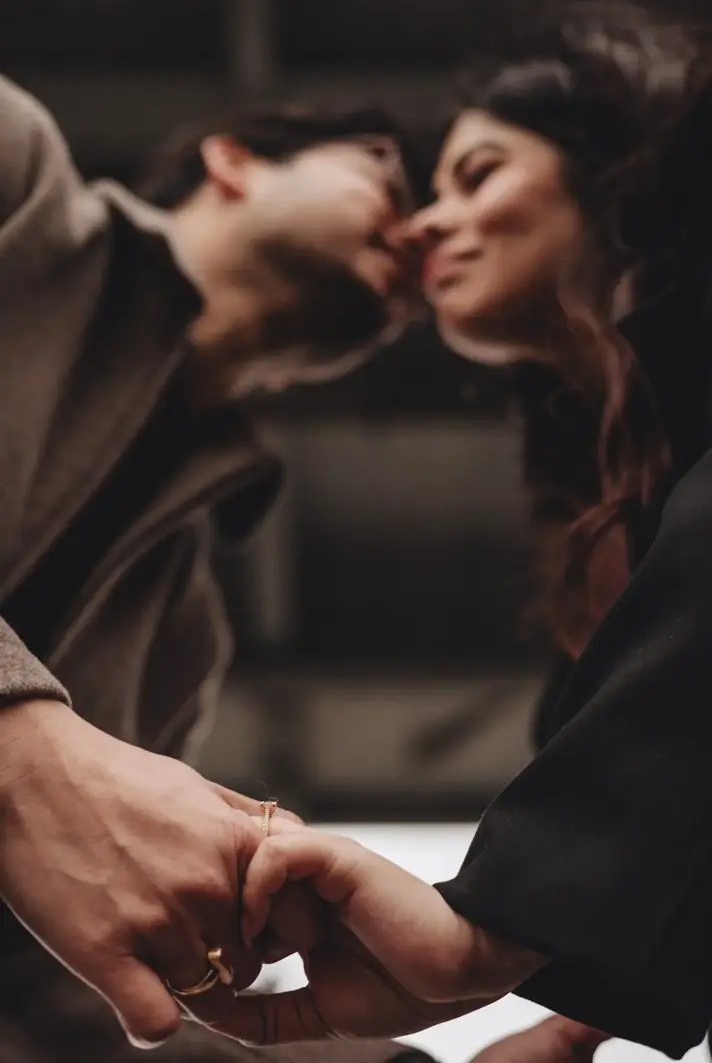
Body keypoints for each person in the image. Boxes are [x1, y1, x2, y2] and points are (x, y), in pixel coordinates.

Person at [213, 2, 712, 1062]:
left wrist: (495, 925)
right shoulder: (613, 493)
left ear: (611, 158)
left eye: (478, 172)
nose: (428, 224)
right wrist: (573, 1023)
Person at [0, 72, 431, 1063]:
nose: (421, 234)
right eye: (389, 182)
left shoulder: (185, 639)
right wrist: (19, 741)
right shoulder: (12, 170)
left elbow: (60, 989)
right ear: (234, 160)